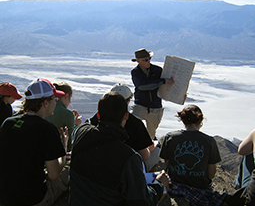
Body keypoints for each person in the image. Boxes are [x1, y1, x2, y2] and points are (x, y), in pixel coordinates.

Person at [69, 91, 170, 205]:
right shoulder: (129, 157)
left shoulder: (81, 133)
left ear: (98, 115)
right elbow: (143, 201)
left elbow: (80, 128)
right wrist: (159, 184)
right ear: (126, 115)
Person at [0, 78, 68, 206]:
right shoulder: (46, 129)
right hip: (31, 198)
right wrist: (63, 149)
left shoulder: (8, 123)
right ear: (45, 103)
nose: (56, 102)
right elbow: (54, 174)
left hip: (4, 196)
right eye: (54, 99)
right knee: (69, 169)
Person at [159, 104, 230, 206]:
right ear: (200, 121)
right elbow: (211, 173)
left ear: (182, 120)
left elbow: (167, 162)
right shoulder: (209, 141)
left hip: (175, 184)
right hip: (200, 187)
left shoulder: (170, 137)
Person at [89, 83, 160, 172]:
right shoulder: (135, 123)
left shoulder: (97, 118)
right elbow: (144, 155)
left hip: (97, 163)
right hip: (127, 167)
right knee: (157, 152)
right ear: (127, 101)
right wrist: (150, 148)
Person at [130, 48, 174, 140]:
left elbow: (168, 86)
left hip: (155, 107)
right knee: (131, 125)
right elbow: (142, 86)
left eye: (149, 58)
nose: (148, 61)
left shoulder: (158, 70)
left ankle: (149, 152)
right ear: (138, 61)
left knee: (150, 135)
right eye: (145, 60)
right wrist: (161, 81)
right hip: (140, 105)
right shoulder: (135, 72)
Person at [46, 81, 82, 151]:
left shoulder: (46, 108)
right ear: (67, 96)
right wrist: (76, 124)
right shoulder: (68, 114)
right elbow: (70, 142)